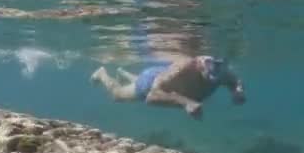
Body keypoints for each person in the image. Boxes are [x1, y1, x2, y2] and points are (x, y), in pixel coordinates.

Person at [90, 55, 245, 119]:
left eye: (215, 80)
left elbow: (234, 81)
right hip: (150, 81)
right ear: (201, 67)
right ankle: (101, 73)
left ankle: (122, 72)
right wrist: (186, 103)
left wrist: (238, 92)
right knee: (117, 95)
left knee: (164, 82)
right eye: (208, 78)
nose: (212, 82)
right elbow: (152, 96)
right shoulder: (185, 66)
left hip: (166, 78)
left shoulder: (222, 71)